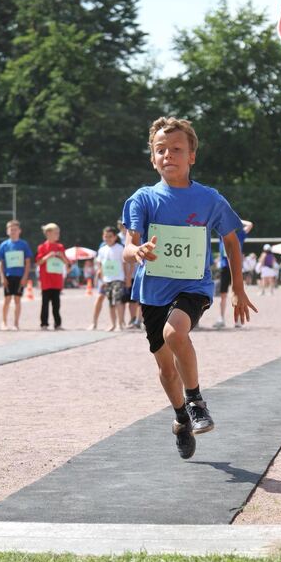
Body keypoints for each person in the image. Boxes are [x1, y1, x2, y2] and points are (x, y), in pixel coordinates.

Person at [122, 116, 257, 460]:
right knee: (166, 369)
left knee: (175, 332)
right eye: (161, 150)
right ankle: (181, 416)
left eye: (177, 149)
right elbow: (128, 244)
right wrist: (137, 251)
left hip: (193, 285)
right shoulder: (143, 199)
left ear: (192, 156)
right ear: (152, 158)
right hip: (152, 290)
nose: (169, 155)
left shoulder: (209, 199)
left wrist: (238, 288)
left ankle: (196, 401)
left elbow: (231, 240)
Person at [213, 218, 253, 329]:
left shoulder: (239, 235)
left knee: (237, 294)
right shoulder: (221, 235)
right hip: (225, 267)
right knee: (223, 295)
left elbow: (250, 224)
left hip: (236, 268)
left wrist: (236, 219)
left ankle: (239, 320)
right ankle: (221, 318)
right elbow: (215, 222)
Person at [90, 226, 129, 331]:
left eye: (110, 236)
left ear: (115, 237)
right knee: (110, 302)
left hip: (118, 278)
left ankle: (120, 324)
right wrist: (101, 279)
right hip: (106, 280)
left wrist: (127, 278)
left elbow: (125, 264)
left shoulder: (120, 248)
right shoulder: (102, 250)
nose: (108, 238)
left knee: (118, 301)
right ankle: (113, 324)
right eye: (105, 236)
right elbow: (100, 266)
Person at [0, 220, 33, 331]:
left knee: (17, 300)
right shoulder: (4, 245)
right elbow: (1, 263)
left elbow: (27, 262)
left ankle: (16, 323)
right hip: (8, 276)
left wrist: (25, 277)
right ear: (7, 231)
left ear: (19, 231)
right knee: (7, 299)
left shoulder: (24, 244)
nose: (13, 231)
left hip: (19, 276)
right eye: (11, 230)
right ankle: (4, 322)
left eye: (15, 229)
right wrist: (2, 277)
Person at [35, 223, 69, 330]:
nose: (58, 235)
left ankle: (57, 324)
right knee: (45, 304)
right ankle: (44, 324)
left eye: (58, 233)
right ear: (48, 233)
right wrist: (48, 256)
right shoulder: (42, 247)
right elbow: (39, 262)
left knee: (56, 304)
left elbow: (66, 262)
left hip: (57, 281)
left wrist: (61, 256)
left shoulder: (60, 247)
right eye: (55, 233)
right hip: (46, 281)